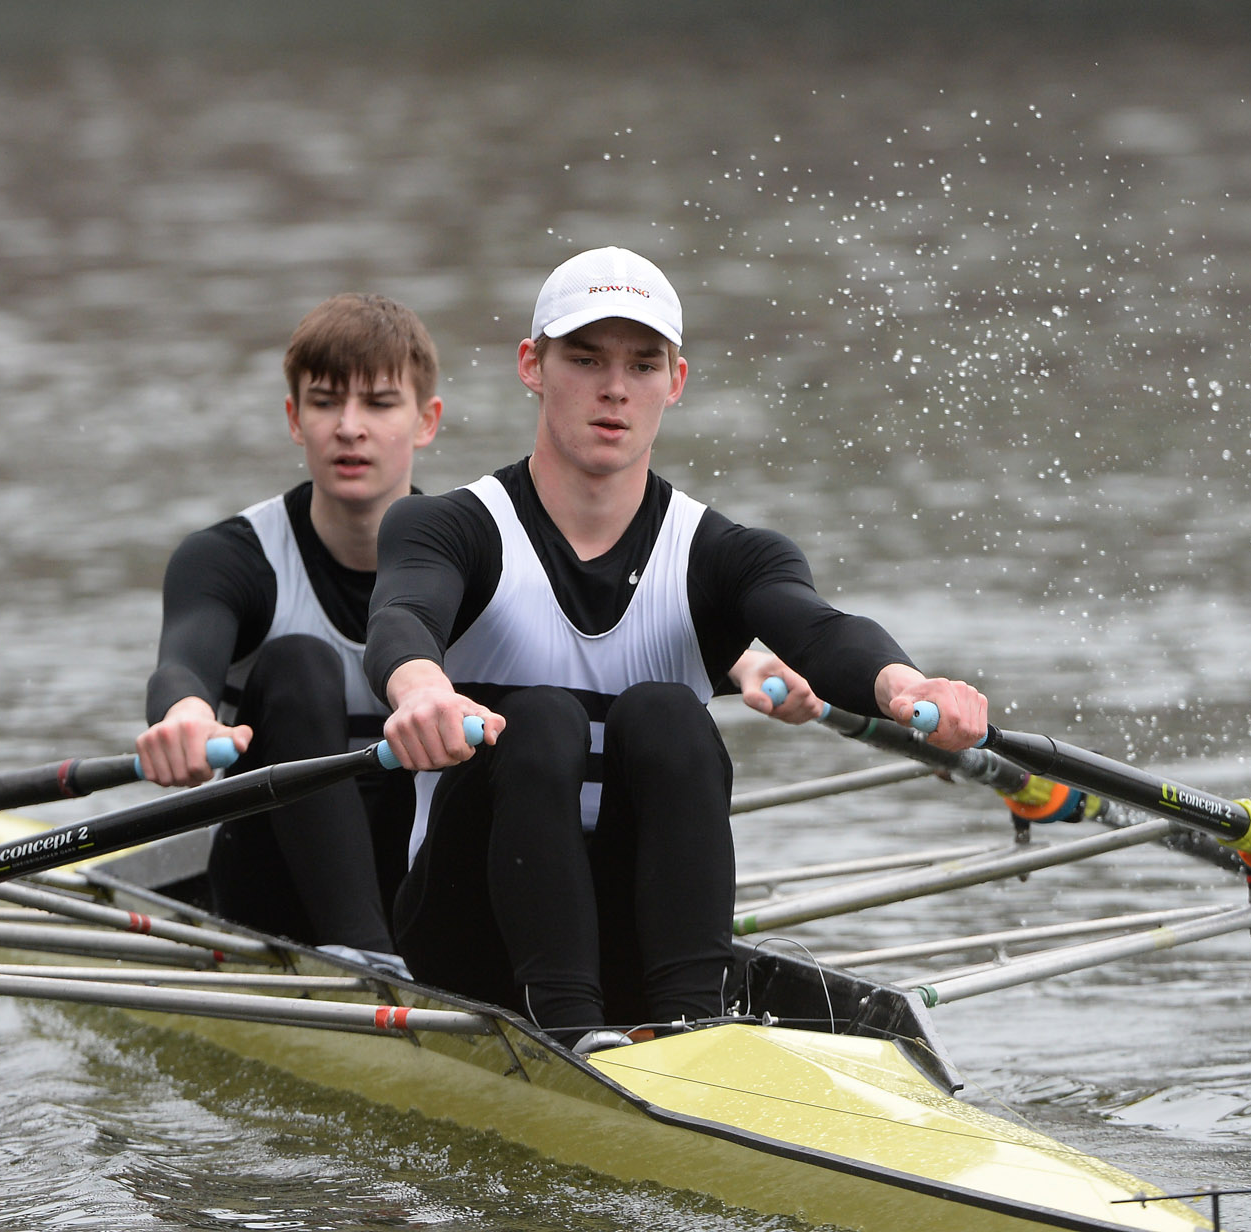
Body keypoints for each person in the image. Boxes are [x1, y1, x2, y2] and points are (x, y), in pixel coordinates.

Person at [363, 247, 989, 1042]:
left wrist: (906, 687)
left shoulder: (725, 552)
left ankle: (693, 1027)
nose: (615, 387)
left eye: (642, 363)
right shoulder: (449, 526)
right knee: (544, 719)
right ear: (532, 365)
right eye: (585, 358)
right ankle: (570, 1032)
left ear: (676, 382)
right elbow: (403, 616)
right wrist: (420, 689)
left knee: (666, 713)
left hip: (636, 933)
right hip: (470, 938)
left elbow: (819, 629)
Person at [136, 293, 442, 966]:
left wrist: (729, 662)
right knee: (300, 662)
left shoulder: (479, 553)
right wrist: (186, 716)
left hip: (426, 885)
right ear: (294, 420)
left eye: (380, 404)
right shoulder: (230, 556)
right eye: (326, 402)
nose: (349, 428)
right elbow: (183, 666)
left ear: (427, 422)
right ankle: (364, 957)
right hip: (271, 895)